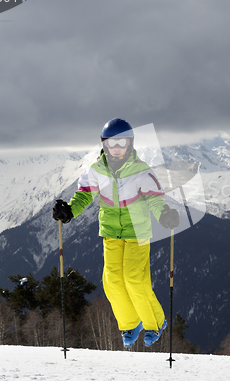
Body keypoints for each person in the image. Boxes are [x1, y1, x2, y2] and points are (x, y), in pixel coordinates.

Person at [52, 118, 180, 348]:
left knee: (134, 278)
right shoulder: (96, 171)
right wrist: (70, 211)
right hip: (110, 232)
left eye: (122, 142)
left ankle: (156, 322)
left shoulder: (141, 171)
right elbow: (84, 195)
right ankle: (131, 323)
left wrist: (165, 215)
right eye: (112, 143)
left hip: (137, 232)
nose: (117, 147)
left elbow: (155, 199)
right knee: (112, 280)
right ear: (104, 145)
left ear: (130, 144)